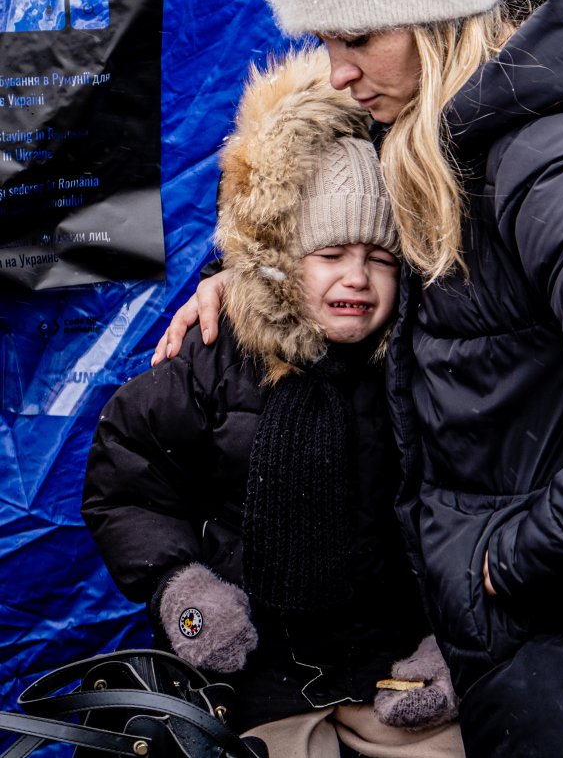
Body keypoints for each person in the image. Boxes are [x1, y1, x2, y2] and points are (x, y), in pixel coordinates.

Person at [153, 0, 563, 757]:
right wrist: (246, 276)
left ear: (433, 15)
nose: (337, 73)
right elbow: (312, 191)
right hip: (538, 663)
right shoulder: (449, 133)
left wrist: (511, 563)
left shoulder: (550, 154)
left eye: (355, 37)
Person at [82, 47, 463, 758]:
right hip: (253, 675)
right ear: (284, 258)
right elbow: (126, 477)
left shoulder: (420, 362)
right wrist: (184, 592)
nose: (356, 277)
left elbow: (471, 498)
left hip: (392, 672)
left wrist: (453, 642)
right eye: (330, 253)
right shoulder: (219, 352)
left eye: (379, 258)